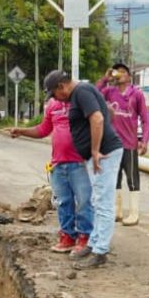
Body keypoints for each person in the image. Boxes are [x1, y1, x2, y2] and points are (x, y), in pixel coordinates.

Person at [42, 69, 123, 270]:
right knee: (96, 200)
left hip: (104, 154)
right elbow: (107, 112)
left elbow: (98, 118)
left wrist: (95, 150)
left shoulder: (82, 91)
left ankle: (100, 251)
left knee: (103, 202)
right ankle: (94, 244)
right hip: (98, 154)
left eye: (54, 93)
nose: (56, 98)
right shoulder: (84, 91)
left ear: (61, 86)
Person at [9, 94, 93, 255]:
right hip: (58, 162)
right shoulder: (53, 105)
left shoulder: (82, 101)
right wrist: (22, 131)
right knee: (63, 202)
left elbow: (96, 123)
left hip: (80, 163)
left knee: (84, 201)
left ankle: (85, 237)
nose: (53, 95)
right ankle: (68, 236)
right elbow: (43, 130)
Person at [97, 63, 149, 226]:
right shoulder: (109, 92)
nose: (119, 73)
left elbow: (146, 119)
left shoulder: (136, 94)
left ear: (128, 76)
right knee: (114, 177)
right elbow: (94, 94)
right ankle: (117, 211)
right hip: (113, 143)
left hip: (130, 143)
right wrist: (105, 79)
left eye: (122, 71)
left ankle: (134, 213)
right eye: (116, 71)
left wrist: (144, 140)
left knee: (132, 178)